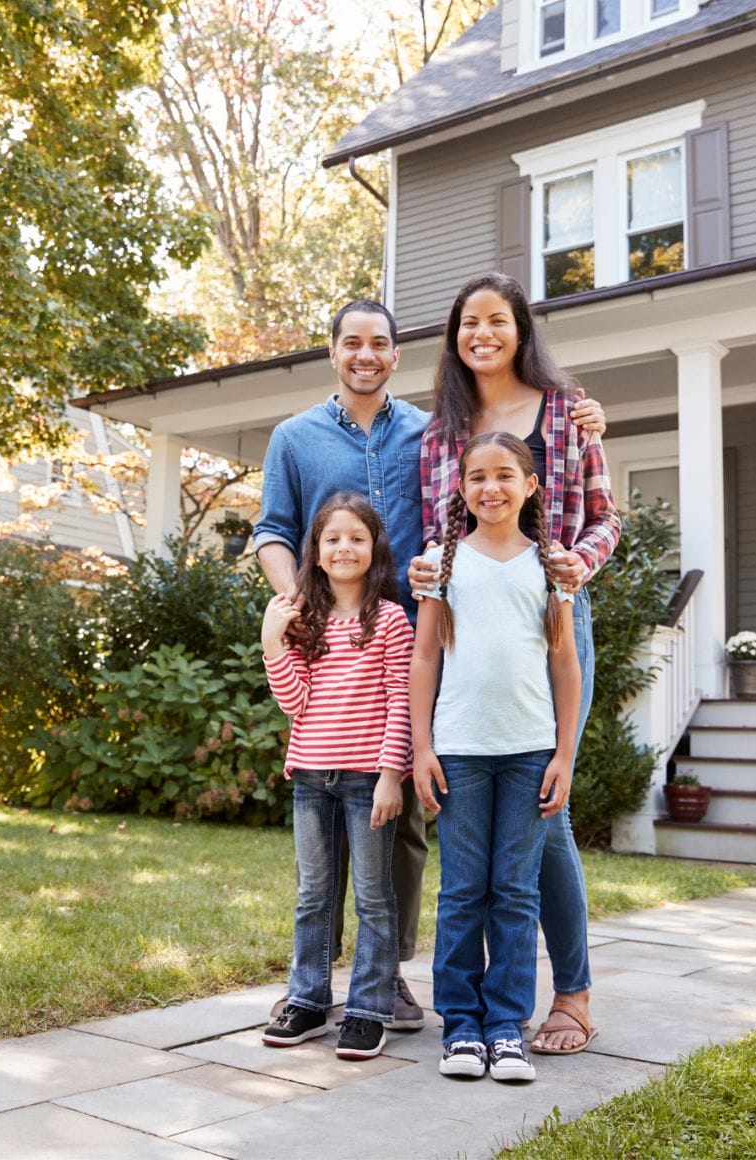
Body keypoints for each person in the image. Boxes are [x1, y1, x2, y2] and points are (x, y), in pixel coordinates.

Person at [254, 299, 606, 1032]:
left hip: (508, 622)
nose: (365, 354)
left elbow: (593, 513)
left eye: (380, 342)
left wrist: (576, 562)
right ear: (330, 350)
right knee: (403, 804)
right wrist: (300, 610)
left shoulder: (526, 417)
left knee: (526, 810)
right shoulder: (399, 432)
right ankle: (357, 983)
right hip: (393, 639)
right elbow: (282, 532)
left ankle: (557, 993)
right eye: (351, 341)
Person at [410, 271, 620, 1056]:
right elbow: (433, 538)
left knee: (548, 805)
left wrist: (576, 565)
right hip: (467, 627)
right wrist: (423, 577)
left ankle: (572, 995)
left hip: (554, 614)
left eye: (498, 321)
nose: (483, 334)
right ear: (455, 336)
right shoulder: (440, 432)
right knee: (478, 861)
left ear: (520, 329)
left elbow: (605, 518)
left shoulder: (569, 410)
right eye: (469, 322)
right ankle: (482, 1010)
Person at [410, 432, 581, 1082]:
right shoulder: (442, 563)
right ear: (461, 488)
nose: (491, 487)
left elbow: (564, 664)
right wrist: (423, 747)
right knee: (461, 893)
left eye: (505, 475)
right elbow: (424, 658)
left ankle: (507, 1027)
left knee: (513, 892)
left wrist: (564, 754)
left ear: (531, 485)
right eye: (477, 476)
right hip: (460, 752)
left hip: (529, 753)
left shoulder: (551, 568)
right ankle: (461, 1027)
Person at [260, 492, 412, 1061]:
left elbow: (400, 700)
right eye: (332, 539)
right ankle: (308, 998)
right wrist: (272, 639)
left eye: (357, 537)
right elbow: (294, 701)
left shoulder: (391, 619)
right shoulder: (304, 621)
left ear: (374, 549)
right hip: (310, 777)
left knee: (373, 896)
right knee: (313, 895)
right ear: (316, 554)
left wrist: (390, 775)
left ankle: (369, 1008)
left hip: (366, 777)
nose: (344, 547)